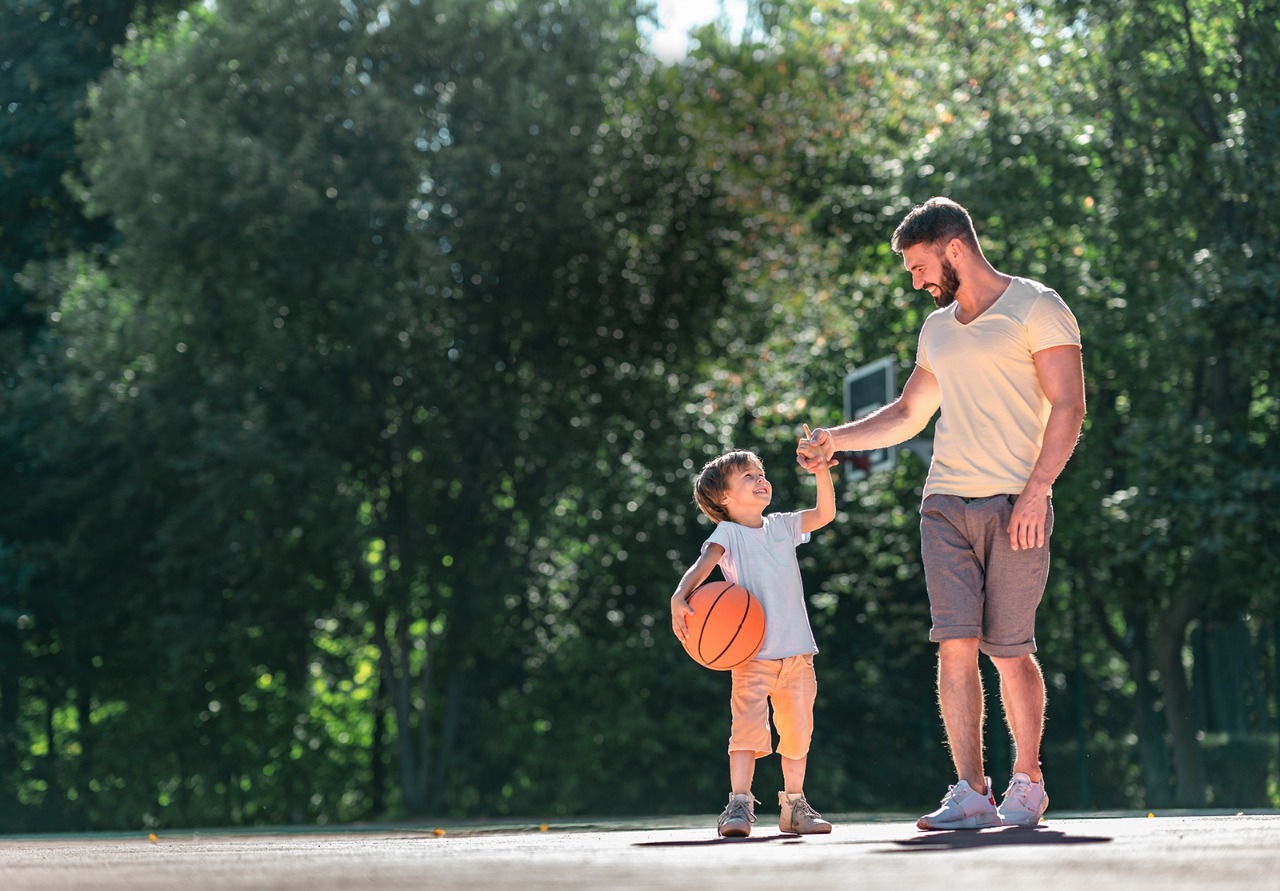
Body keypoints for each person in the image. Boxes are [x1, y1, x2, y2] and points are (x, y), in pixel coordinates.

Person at [799, 197, 1085, 830]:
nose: (916, 280)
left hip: (1017, 504)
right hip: (945, 503)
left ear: (954, 248)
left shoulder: (1037, 307)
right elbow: (907, 414)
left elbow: (1068, 405)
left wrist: (1038, 491)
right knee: (954, 644)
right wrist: (836, 440)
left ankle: (1027, 780)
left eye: (920, 266)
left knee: (1009, 649)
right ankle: (971, 790)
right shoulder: (937, 330)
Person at [670, 439, 836, 838]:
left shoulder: (781, 524)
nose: (762, 480)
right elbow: (701, 565)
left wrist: (821, 472)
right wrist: (680, 595)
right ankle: (739, 803)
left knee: (797, 734)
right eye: (749, 476)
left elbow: (825, 513)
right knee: (746, 730)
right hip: (751, 656)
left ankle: (794, 805)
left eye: (762, 474)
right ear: (725, 497)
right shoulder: (728, 533)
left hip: (797, 654)